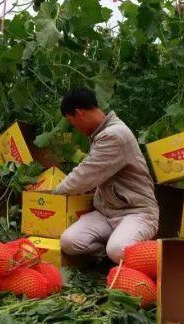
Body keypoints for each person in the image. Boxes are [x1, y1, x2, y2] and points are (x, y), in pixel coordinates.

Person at [54, 88, 159, 263]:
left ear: (79, 113)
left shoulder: (114, 135)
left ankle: (157, 253)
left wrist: (52, 193)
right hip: (106, 213)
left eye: (72, 123)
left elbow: (84, 176)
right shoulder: (101, 133)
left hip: (137, 212)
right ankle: (109, 253)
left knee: (118, 250)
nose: (76, 129)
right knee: (69, 242)